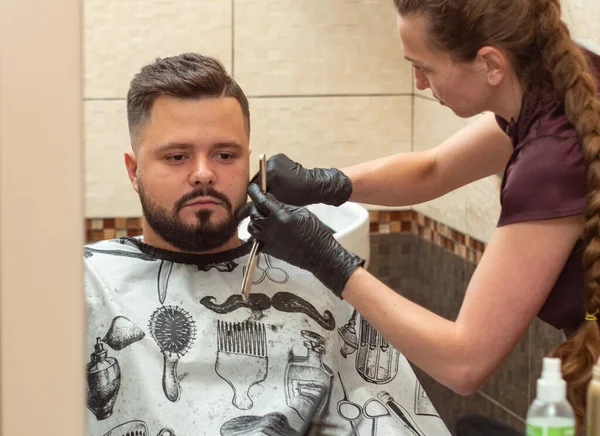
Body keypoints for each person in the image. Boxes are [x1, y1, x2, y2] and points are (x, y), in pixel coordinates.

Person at [240, 0, 600, 432]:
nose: (420, 83)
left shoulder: (552, 157)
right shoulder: (563, 77)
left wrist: (324, 258)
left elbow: (464, 361)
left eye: (425, 67)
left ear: (490, 63)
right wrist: (322, 182)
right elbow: (434, 170)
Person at [83, 52, 451, 436]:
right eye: (177, 156)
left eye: (225, 155)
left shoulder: (315, 288)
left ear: (252, 165)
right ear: (134, 171)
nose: (204, 173)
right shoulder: (86, 285)